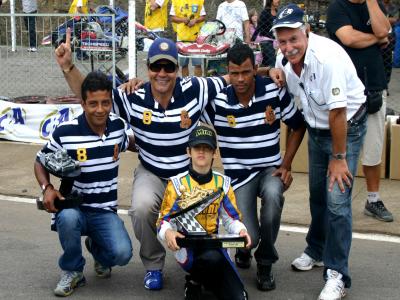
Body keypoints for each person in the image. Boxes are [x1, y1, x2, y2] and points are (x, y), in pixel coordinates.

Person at [54, 28, 284, 291]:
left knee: (210, 213)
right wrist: (69, 66)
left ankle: (201, 266)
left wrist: (267, 71)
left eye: (169, 67)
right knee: (141, 208)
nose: (162, 73)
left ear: (177, 68)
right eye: (156, 67)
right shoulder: (132, 96)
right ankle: (153, 267)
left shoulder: (196, 88)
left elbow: (233, 76)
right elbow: (91, 96)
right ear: (148, 68)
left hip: (186, 175)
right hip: (151, 171)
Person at [272, 4, 367, 299]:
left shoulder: (327, 59)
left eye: (294, 39)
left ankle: (337, 275)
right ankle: (316, 250)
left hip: (346, 129)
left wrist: (338, 159)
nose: (288, 47)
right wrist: (273, 70)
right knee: (317, 196)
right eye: (283, 41)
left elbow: (338, 113)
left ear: (307, 32)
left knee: (337, 202)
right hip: (316, 128)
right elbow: (291, 98)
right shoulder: (284, 58)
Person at [202, 42, 306, 291]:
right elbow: (194, 119)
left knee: (273, 196)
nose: (240, 79)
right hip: (238, 177)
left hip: (270, 169)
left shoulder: (273, 89)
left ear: (255, 69)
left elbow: (298, 125)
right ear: (228, 72)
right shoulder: (217, 100)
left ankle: (266, 262)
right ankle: (246, 250)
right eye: (234, 73)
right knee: (249, 238)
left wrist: (287, 164)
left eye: (246, 72)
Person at [33, 72, 134, 297]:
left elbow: (134, 141)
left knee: (123, 254)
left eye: (105, 103)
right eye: (93, 103)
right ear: (83, 103)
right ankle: (72, 270)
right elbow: (40, 161)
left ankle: (96, 249)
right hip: (73, 208)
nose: (100, 109)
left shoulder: (118, 128)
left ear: (111, 102)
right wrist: (47, 188)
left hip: (104, 211)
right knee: (67, 218)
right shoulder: (65, 132)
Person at [157, 125, 251, 300]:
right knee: (212, 260)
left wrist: (241, 231)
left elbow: (231, 219)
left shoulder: (223, 183)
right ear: (188, 151)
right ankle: (193, 282)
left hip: (214, 245)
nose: (201, 152)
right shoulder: (176, 184)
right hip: (188, 248)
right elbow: (162, 221)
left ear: (214, 153)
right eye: (197, 147)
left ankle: (204, 281)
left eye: (207, 148)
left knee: (239, 297)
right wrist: (168, 232)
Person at [326, 0, 394, 222]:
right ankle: (337, 199)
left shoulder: (374, 5)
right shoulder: (337, 8)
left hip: (374, 86)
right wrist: (376, 39)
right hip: (344, 90)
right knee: (342, 149)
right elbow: (349, 38)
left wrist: (372, 2)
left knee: (373, 149)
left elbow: (384, 29)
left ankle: (373, 199)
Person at [170, 0, 206, 77]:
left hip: (196, 37)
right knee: (184, 65)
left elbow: (203, 17)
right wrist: (183, 20)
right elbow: (172, 18)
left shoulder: (199, 1)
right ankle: (186, 84)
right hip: (182, 37)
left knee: (198, 64)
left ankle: (198, 84)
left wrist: (196, 20)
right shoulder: (175, 1)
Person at [251, 0, 280, 67]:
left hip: (277, 40)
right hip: (267, 41)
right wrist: (252, 40)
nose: (278, 0)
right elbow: (259, 27)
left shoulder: (277, 12)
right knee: (273, 63)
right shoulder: (265, 12)